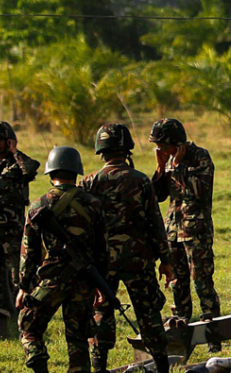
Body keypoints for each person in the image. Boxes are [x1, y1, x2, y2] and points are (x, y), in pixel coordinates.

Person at [83, 123, 174, 373]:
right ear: (127, 150)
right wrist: (165, 260)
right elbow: (156, 223)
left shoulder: (89, 183)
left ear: (101, 151)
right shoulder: (141, 180)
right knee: (149, 315)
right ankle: (163, 367)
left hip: (103, 263)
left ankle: (99, 366)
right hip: (139, 260)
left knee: (101, 313)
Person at [18, 146, 107, 373]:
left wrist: (24, 286)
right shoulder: (93, 204)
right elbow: (102, 250)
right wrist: (100, 284)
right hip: (84, 280)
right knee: (78, 339)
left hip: (51, 278)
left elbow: (29, 253)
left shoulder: (39, 206)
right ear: (77, 171)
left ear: (50, 173)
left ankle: (37, 357)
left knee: (29, 326)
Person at [149, 118, 220, 340]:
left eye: (163, 145)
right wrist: (161, 168)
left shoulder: (200, 157)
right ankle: (181, 333)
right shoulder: (169, 161)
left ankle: (213, 334)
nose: (160, 149)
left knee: (202, 280)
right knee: (177, 283)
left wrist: (178, 167)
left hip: (195, 232)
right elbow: (157, 196)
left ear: (176, 143)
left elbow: (200, 190)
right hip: (173, 231)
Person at [0, 121, 40, 336]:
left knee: (19, 278)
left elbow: (32, 168)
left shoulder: (16, 166)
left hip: (13, 232)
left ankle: (27, 321)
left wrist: (15, 151)